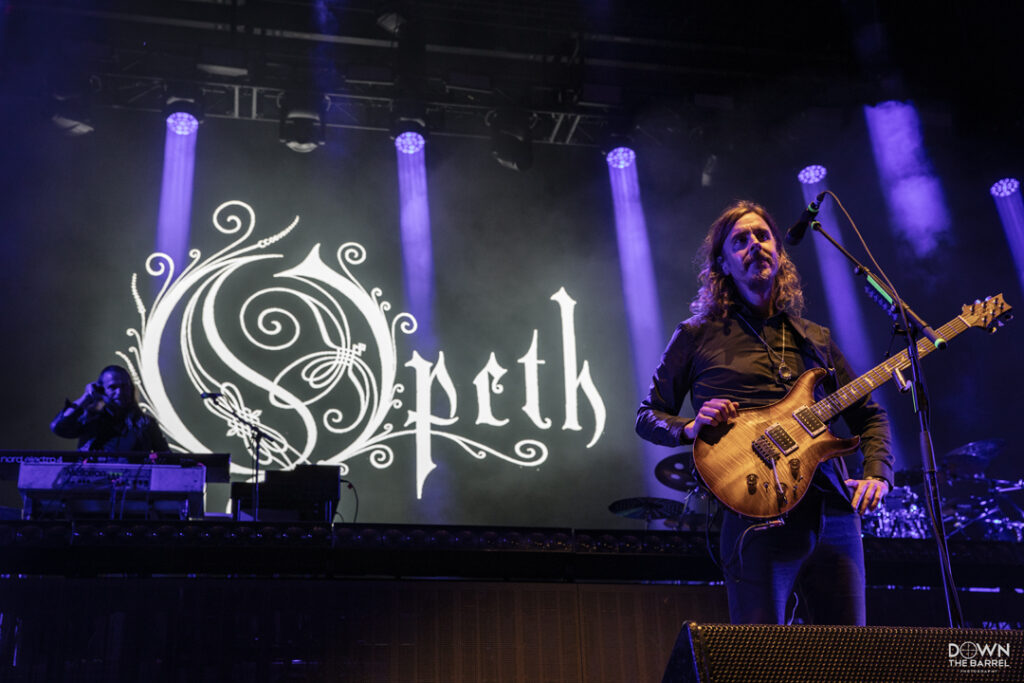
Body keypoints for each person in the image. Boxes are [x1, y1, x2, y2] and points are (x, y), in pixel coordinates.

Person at [636, 200, 893, 625]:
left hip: (832, 512)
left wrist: (877, 472)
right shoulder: (696, 335)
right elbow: (647, 415)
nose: (754, 245)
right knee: (760, 656)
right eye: (740, 241)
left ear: (779, 251)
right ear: (722, 263)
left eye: (762, 236)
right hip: (754, 512)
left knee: (850, 655)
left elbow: (869, 414)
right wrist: (691, 427)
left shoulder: (814, 339)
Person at [51, 364, 169, 453]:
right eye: (113, 387)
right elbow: (58, 427)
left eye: (124, 386)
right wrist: (85, 398)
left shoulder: (146, 424)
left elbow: (167, 459)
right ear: (101, 390)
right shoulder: (89, 420)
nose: (120, 392)